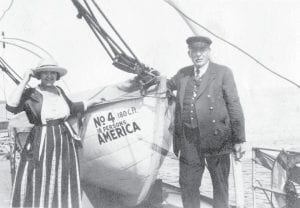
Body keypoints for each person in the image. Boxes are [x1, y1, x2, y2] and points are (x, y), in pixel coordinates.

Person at [6, 59, 96, 208]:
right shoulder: (31, 93)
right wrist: (25, 79)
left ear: (57, 75)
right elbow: (11, 106)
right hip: (41, 140)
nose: (49, 76)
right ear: (39, 76)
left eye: (52, 73)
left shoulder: (59, 91)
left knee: (63, 176)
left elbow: (71, 107)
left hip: (64, 140)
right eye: (45, 73)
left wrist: (90, 103)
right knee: (39, 175)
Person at [167, 36, 245, 208]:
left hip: (217, 140)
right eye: (194, 51)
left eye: (202, 51)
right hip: (189, 141)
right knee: (187, 186)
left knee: (220, 187)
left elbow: (234, 105)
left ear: (209, 52)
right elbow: (164, 86)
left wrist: (239, 139)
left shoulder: (223, 73)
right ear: (189, 53)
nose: (198, 55)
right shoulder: (182, 74)